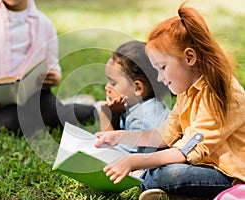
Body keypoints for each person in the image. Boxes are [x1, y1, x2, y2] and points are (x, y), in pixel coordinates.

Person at [94, 2, 245, 199]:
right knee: (160, 171)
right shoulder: (187, 89)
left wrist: (134, 161)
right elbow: (165, 136)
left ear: (189, 58)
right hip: (204, 165)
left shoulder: (218, 93)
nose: (159, 78)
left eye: (162, 68)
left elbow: (185, 151)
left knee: (168, 174)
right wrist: (119, 136)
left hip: (230, 175)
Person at [0, 0, 97, 134]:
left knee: (62, 116)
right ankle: (63, 105)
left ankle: (97, 107)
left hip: (35, 95)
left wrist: (55, 77)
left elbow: (54, 68)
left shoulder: (44, 24)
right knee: (18, 123)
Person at [99, 40, 170, 153]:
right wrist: (115, 114)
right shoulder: (134, 104)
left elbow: (113, 156)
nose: (107, 88)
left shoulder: (143, 119)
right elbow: (119, 135)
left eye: (113, 83)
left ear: (137, 88)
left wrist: (104, 116)